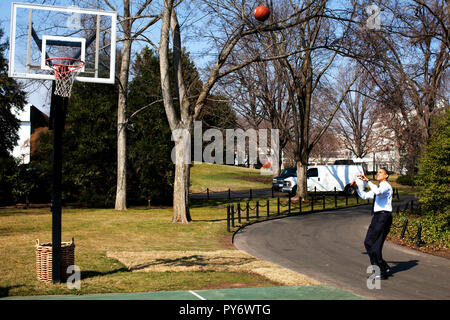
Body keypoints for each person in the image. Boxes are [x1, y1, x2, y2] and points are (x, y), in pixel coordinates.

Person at [351, 168, 393, 279]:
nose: (378, 174)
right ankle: (383, 267)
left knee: (375, 245)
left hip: (384, 216)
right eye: (377, 172)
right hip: (377, 217)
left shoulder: (386, 186)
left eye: (380, 172)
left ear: (386, 176)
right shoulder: (378, 187)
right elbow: (365, 196)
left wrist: (367, 181)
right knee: (368, 243)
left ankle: (380, 270)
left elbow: (378, 192)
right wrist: (357, 188)